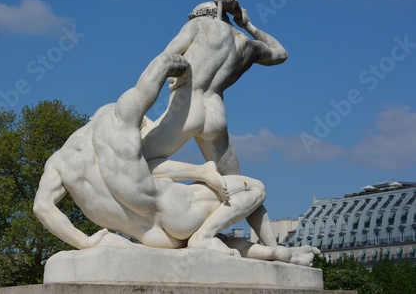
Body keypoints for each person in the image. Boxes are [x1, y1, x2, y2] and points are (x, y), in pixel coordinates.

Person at [33, 53, 318, 265]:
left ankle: (277, 254)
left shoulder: (58, 164)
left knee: (227, 242)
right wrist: (182, 70)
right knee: (255, 188)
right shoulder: (120, 118)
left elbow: (42, 208)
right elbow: (157, 71)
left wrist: (85, 242)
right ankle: (206, 237)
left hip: (153, 238)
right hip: (177, 211)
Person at [140, 0, 288, 247]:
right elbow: (280, 53)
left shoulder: (199, 25)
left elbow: (163, 61)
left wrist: (136, 108)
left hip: (186, 107)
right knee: (239, 185)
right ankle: (275, 250)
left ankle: (192, 198)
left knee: (137, 161)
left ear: (198, 15)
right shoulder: (247, 45)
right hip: (215, 113)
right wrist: (247, 24)